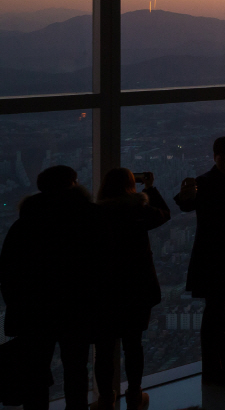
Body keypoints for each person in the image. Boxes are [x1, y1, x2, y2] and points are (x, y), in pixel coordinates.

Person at [0, 165, 99, 410]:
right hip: (77, 308)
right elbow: (103, 264)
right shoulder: (90, 219)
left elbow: (8, 271)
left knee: (34, 372)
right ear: (73, 183)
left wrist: (16, 306)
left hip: (33, 311)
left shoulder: (24, 224)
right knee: (76, 369)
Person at [174, 136, 225, 385]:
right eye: (224, 157)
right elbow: (188, 205)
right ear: (215, 158)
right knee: (215, 315)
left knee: (222, 311)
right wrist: (185, 196)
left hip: (224, 258)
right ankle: (212, 370)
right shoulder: (205, 182)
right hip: (214, 260)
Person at [93, 168, 171, 410]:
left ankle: (106, 398)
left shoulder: (95, 214)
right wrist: (149, 187)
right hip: (137, 289)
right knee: (133, 345)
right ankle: (135, 396)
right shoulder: (139, 210)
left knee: (104, 349)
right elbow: (164, 214)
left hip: (104, 290)